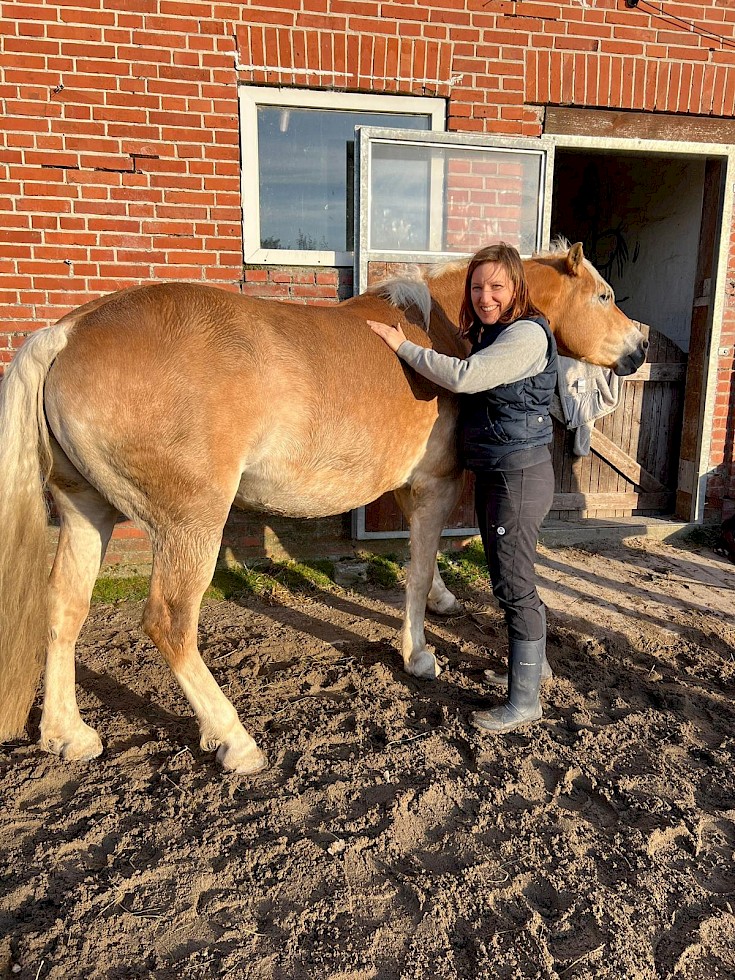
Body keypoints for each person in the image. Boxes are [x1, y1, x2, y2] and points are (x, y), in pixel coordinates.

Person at [368, 242, 557, 734]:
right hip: (503, 470)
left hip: (519, 475)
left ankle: (524, 702)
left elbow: (465, 377)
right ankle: (534, 669)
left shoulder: (526, 335)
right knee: (510, 575)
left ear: (516, 288)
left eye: (496, 287)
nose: (484, 297)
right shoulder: (499, 333)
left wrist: (403, 346)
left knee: (513, 583)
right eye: (476, 287)